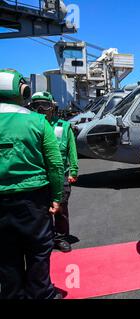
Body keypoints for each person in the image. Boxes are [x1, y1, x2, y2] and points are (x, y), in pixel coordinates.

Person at [0, 69, 64, 299]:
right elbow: (55, 163)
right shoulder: (37, 121)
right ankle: (41, 294)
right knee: (38, 250)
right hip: (33, 200)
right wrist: (57, 196)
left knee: (6, 256)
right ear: (23, 91)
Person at [29, 91, 79, 253]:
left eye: (46, 105)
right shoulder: (30, 126)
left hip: (60, 174)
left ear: (52, 107)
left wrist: (74, 170)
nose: (42, 109)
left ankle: (61, 237)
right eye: (37, 105)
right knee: (40, 209)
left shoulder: (63, 126)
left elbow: (72, 149)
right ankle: (44, 238)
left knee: (61, 208)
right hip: (38, 175)